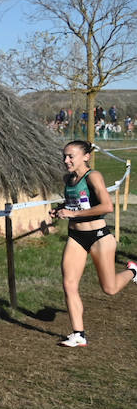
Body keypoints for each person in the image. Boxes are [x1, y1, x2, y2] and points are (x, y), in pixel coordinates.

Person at [52, 140, 137, 347]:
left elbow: (106, 206)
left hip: (99, 237)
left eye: (71, 156)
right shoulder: (69, 179)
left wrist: (74, 213)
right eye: (65, 156)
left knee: (110, 288)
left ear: (86, 157)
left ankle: (133, 271)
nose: (66, 160)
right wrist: (59, 210)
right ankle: (78, 334)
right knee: (69, 284)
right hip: (76, 237)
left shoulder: (94, 176)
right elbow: (76, 203)